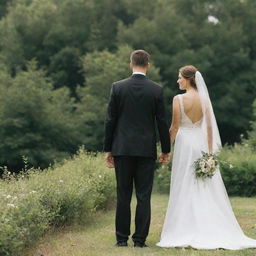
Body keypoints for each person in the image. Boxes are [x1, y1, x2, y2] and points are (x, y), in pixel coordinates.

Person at [157, 65, 256, 250]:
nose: (178, 81)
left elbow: (175, 127)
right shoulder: (204, 99)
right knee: (204, 184)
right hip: (201, 144)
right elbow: (209, 128)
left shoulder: (178, 99)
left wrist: (165, 150)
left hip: (185, 144)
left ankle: (184, 227)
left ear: (188, 79)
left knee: (184, 182)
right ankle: (209, 224)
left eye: (180, 78)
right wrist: (210, 154)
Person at [103, 49, 170, 248]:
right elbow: (161, 122)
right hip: (145, 151)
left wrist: (108, 149)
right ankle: (140, 240)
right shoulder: (156, 90)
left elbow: (110, 120)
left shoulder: (117, 87)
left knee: (123, 194)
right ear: (148, 65)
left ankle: (121, 239)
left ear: (131, 64)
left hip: (122, 149)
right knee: (143, 196)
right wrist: (165, 149)